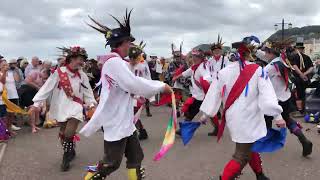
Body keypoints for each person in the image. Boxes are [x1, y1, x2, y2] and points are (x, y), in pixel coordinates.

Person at [80, 9, 173, 180]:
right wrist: (161, 86)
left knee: (136, 157)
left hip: (124, 120)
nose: (131, 46)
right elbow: (133, 84)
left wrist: (131, 67)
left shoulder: (117, 63)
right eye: (129, 43)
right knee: (111, 163)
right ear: (122, 43)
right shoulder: (114, 63)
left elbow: (127, 85)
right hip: (116, 121)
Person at [200, 41, 286, 180]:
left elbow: (213, 94)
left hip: (234, 118)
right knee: (241, 156)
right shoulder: (258, 69)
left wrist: (206, 114)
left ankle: (260, 175)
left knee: (250, 147)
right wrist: (277, 116)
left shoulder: (223, 72)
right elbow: (267, 95)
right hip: (250, 118)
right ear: (248, 53)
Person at [32, 46, 96, 171]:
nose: (81, 62)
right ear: (71, 59)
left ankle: (66, 157)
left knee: (69, 132)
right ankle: (70, 150)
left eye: (82, 59)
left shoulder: (82, 75)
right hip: (61, 106)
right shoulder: (59, 72)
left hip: (76, 106)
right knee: (63, 133)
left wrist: (91, 104)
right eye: (79, 59)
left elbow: (87, 92)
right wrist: (36, 103)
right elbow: (47, 87)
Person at [263, 43, 313, 157]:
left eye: (266, 52)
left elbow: (260, 79)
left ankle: (267, 143)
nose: (265, 54)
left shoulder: (270, 67)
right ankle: (303, 139)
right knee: (287, 120)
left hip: (273, 99)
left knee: (266, 119)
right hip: (285, 97)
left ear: (272, 53)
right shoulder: (284, 62)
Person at [173, 49, 213, 135]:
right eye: (193, 56)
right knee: (190, 112)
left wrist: (205, 83)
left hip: (201, 97)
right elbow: (187, 72)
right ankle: (183, 129)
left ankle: (183, 129)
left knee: (191, 113)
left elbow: (208, 77)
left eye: (197, 57)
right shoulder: (195, 66)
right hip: (196, 95)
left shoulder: (203, 67)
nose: (194, 58)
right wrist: (177, 76)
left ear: (201, 58)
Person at [206, 35, 230, 136]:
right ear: (212, 52)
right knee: (212, 107)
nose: (217, 52)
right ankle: (216, 127)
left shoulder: (225, 59)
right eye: (215, 51)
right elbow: (206, 72)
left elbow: (229, 71)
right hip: (213, 86)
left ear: (221, 51)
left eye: (218, 51)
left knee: (226, 105)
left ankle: (232, 122)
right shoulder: (209, 61)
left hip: (224, 85)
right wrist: (208, 81)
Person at [127, 42, 151, 140]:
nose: (132, 59)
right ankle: (141, 131)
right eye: (131, 57)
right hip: (130, 93)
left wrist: (147, 92)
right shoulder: (126, 64)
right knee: (131, 113)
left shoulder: (143, 65)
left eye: (135, 57)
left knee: (132, 113)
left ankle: (139, 131)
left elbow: (147, 78)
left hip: (139, 93)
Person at [20, 68, 51, 133]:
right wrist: (37, 86)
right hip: (26, 92)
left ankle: (34, 125)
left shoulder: (43, 80)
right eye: (45, 77)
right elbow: (27, 81)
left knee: (37, 109)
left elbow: (43, 92)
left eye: (46, 78)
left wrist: (44, 106)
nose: (45, 79)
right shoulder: (35, 73)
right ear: (44, 72)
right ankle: (33, 127)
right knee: (33, 109)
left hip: (34, 93)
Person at [291, 42, 314, 115]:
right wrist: (305, 74)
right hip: (305, 78)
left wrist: (302, 74)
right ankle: (304, 109)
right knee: (305, 94)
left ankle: (300, 110)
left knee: (298, 95)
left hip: (298, 78)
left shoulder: (293, 57)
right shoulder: (306, 57)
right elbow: (311, 67)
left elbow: (294, 66)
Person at [2, 59, 21, 132]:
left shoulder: (11, 72)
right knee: (7, 114)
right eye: (4, 65)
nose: (6, 66)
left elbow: (17, 80)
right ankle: (6, 129)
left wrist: (15, 69)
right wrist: (4, 72)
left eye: (6, 64)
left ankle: (9, 128)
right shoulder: (1, 73)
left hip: (14, 94)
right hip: (6, 96)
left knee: (12, 113)